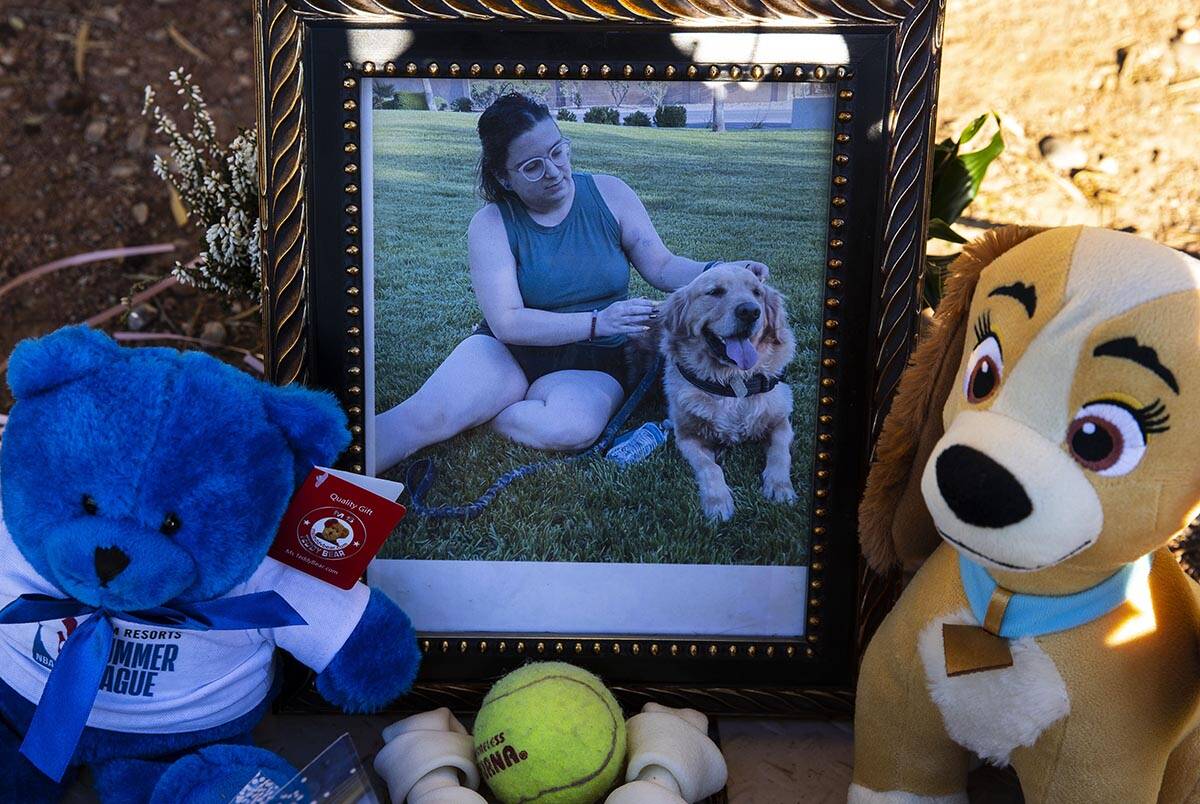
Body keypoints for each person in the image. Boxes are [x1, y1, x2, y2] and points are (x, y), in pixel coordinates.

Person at [374, 92, 768, 474]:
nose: (553, 171)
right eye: (531, 167)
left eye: (557, 152)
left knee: (573, 429)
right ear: (503, 177)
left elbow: (662, 265)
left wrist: (720, 267)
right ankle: (325, 485)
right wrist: (600, 321)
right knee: (424, 418)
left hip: (593, 364)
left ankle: (483, 408)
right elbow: (507, 322)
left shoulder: (610, 193)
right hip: (510, 352)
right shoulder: (491, 223)